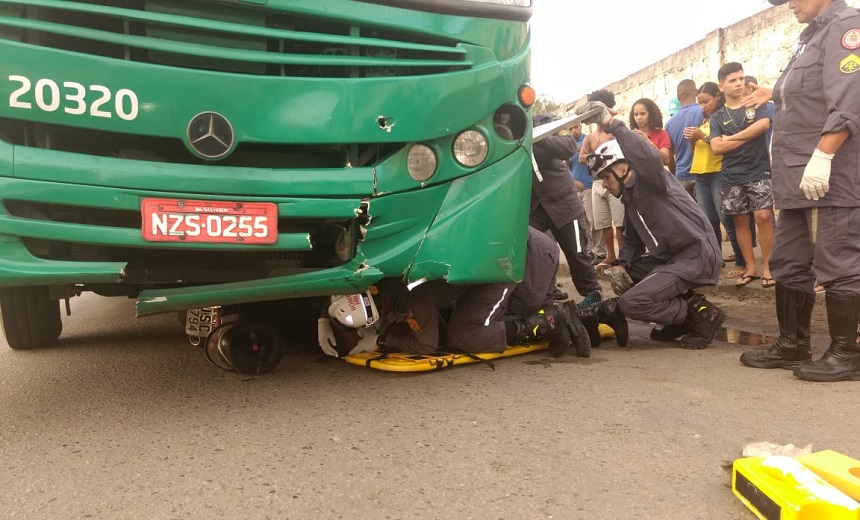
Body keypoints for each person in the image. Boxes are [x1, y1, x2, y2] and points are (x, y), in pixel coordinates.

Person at [739, 0, 860, 382]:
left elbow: (850, 99)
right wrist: (774, 94)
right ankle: (792, 343)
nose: (788, 4)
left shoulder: (849, 27)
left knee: (838, 263)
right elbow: (811, 94)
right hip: (795, 178)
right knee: (789, 262)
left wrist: (824, 155)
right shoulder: (812, 36)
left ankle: (847, 352)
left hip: (829, 174)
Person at [575, 100, 726, 349]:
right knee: (631, 271)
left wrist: (610, 123)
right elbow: (633, 238)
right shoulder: (630, 197)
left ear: (623, 168)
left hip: (695, 256)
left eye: (605, 176)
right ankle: (681, 318)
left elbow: (646, 156)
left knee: (631, 303)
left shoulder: (652, 179)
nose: (603, 184)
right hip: (674, 259)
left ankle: (697, 314)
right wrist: (621, 265)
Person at [317, 228, 591, 358]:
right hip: (507, 248)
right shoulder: (381, 278)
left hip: (515, 256)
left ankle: (555, 318)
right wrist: (324, 318)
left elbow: (426, 344)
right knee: (503, 315)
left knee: (466, 335)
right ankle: (570, 317)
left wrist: (381, 342)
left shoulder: (413, 299)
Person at [709, 62, 776, 289]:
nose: (739, 84)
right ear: (721, 86)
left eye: (740, 78)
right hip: (731, 174)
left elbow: (763, 125)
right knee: (740, 221)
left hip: (759, 170)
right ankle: (751, 268)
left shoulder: (756, 102)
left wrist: (731, 138)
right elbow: (716, 147)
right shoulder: (718, 117)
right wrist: (743, 136)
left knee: (764, 217)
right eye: (732, 80)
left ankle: (768, 267)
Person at [531, 113, 603, 300]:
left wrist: (535, 137)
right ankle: (545, 300)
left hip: (564, 205)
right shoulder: (504, 129)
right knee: (537, 256)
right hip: (534, 209)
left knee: (579, 255)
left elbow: (568, 146)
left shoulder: (547, 122)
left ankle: (594, 302)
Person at [684, 81, 751, 280]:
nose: (703, 106)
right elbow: (696, 151)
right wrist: (692, 140)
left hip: (719, 172)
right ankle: (716, 258)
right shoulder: (704, 122)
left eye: (706, 101)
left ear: (717, 97)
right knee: (709, 221)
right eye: (700, 103)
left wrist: (702, 136)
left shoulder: (724, 119)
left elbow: (720, 144)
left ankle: (741, 261)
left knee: (728, 219)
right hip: (701, 174)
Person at [578, 89, 624, 270]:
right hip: (596, 182)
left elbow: (616, 155)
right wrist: (599, 157)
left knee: (619, 221)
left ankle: (623, 254)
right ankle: (610, 255)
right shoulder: (590, 136)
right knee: (603, 221)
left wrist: (593, 157)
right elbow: (581, 158)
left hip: (614, 180)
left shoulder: (614, 131)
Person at [568, 122, 605, 260]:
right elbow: (567, 165)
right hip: (574, 188)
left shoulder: (588, 139)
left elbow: (597, 158)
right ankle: (589, 251)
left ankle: (600, 251)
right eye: (570, 128)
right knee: (581, 222)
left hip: (589, 185)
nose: (573, 130)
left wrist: (581, 151)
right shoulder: (567, 144)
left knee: (594, 221)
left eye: (575, 127)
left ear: (580, 126)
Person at [664, 79, 702, 199]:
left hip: (681, 176)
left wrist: (676, 174)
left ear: (678, 96)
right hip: (702, 175)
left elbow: (670, 157)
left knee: (688, 216)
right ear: (696, 92)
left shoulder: (669, 123)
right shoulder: (703, 112)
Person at [629, 97, 672, 169]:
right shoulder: (630, 136)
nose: (638, 118)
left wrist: (647, 141)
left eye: (642, 114)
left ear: (651, 114)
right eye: (636, 114)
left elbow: (666, 160)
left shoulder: (661, 134)